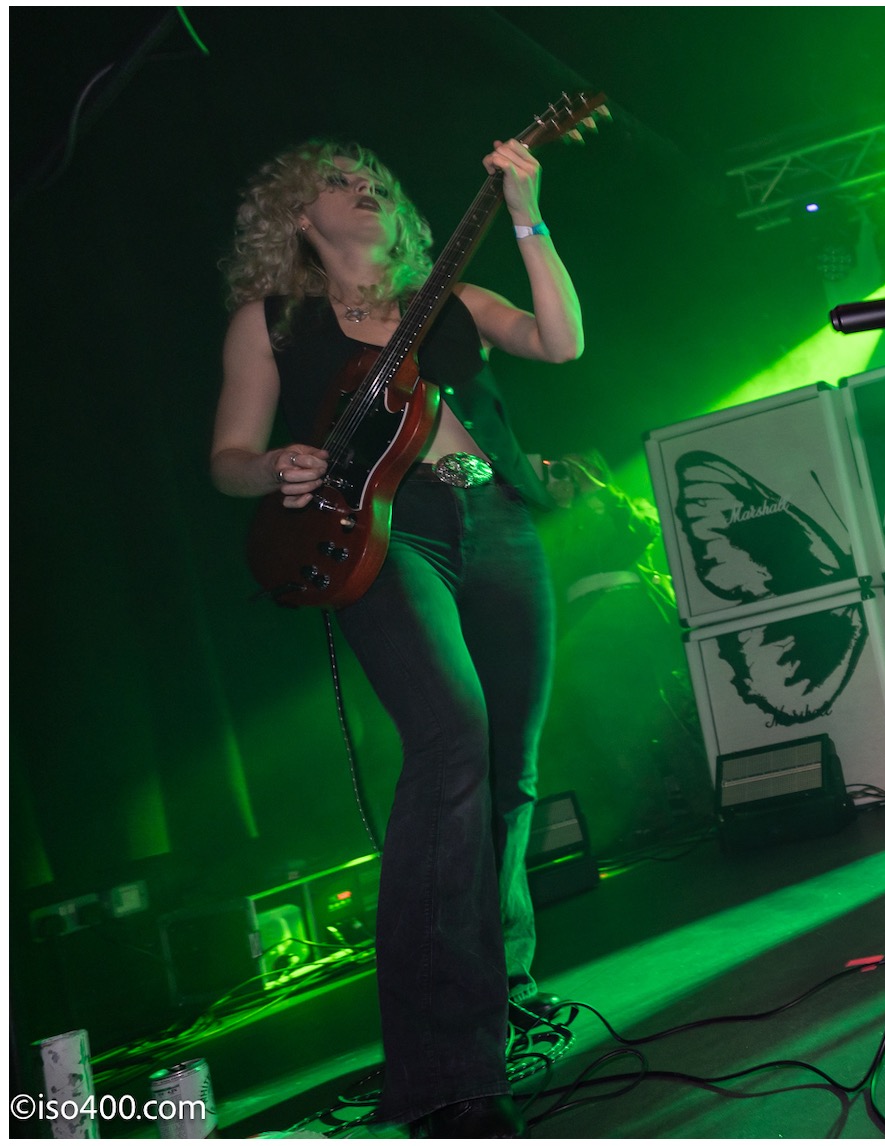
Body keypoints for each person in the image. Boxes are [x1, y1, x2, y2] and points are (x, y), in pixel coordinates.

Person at [211, 136, 583, 1137]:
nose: (366, 187)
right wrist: (276, 466)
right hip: (382, 531)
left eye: (375, 177)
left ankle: (504, 994)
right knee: (452, 739)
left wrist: (527, 215)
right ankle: (441, 1068)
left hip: (496, 518)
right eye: (339, 181)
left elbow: (560, 341)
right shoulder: (273, 322)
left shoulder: (449, 298)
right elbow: (229, 457)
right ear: (299, 215)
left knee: (508, 772)